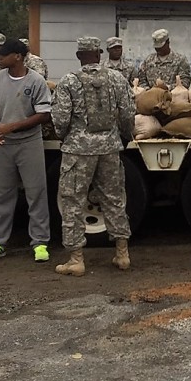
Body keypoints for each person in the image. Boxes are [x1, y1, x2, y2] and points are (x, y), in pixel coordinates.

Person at [52, 36, 135, 276]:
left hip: (78, 151)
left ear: (79, 56)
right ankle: (122, 254)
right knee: (114, 198)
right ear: (99, 54)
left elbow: (60, 119)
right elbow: (128, 112)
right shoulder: (117, 78)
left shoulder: (68, 81)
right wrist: (124, 136)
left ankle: (76, 259)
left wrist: (67, 137)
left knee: (72, 201)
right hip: (109, 147)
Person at [0, 38, 53, 263]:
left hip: (29, 143)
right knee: (1, 194)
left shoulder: (36, 81)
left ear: (18, 57)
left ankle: (40, 243)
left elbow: (43, 115)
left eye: (4, 54)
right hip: (4, 145)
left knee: (36, 193)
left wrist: (10, 127)